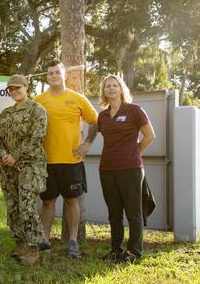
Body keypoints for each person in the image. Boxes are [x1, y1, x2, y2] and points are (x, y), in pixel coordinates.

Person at [33, 60, 98, 258]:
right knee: (47, 202)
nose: (53, 75)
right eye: (50, 73)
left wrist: (88, 142)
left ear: (64, 75)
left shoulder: (78, 99)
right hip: (46, 162)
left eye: (57, 72)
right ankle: (44, 240)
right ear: (47, 77)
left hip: (71, 161)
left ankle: (73, 242)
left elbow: (95, 121)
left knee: (72, 202)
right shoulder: (38, 100)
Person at [97, 75, 155, 263]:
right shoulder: (103, 115)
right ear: (104, 91)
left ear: (121, 89)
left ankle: (134, 251)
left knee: (133, 211)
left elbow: (150, 136)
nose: (112, 89)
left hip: (130, 168)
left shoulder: (134, 110)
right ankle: (116, 249)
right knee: (114, 212)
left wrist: (135, 151)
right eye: (108, 86)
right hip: (106, 168)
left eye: (115, 86)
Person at [0, 74, 48, 265]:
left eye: (18, 87)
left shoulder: (37, 110)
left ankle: (34, 248)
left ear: (27, 87)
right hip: (8, 168)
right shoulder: (5, 114)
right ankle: (20, 244)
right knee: (13, 207)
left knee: (27, 207)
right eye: (11, 89)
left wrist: (15, 155)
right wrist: (4, 156)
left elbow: (37, 137)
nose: (14, 91)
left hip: (29, 166)